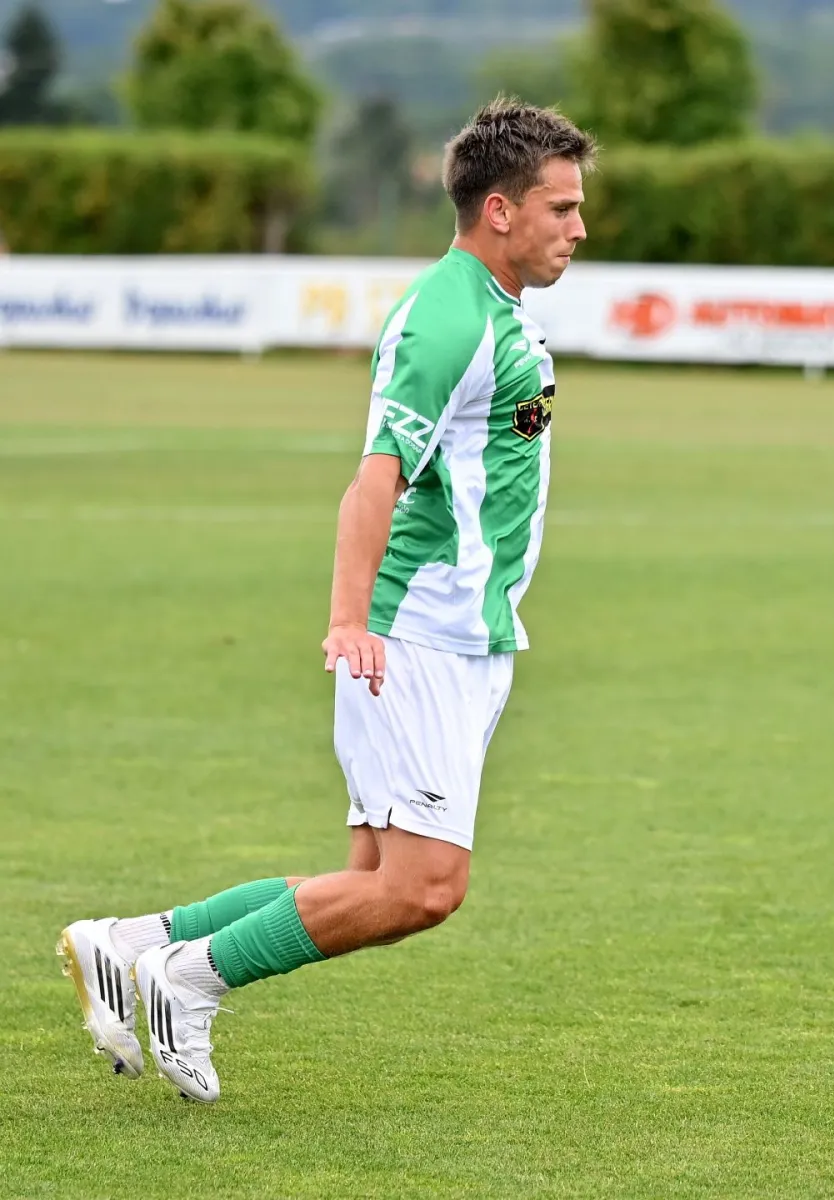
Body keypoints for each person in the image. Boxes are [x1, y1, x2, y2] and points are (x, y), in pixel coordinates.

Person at [55, 99, 595, 1104]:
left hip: (465, 635)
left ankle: (129, 944)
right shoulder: (449, 318)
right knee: (424, 889)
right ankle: (187, 978)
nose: (579, 227)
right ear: (499, 210)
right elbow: (375, 478)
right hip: (418, 634)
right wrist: (351, 620)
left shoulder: (494, 308)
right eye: (560, 207)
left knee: (372, 878)